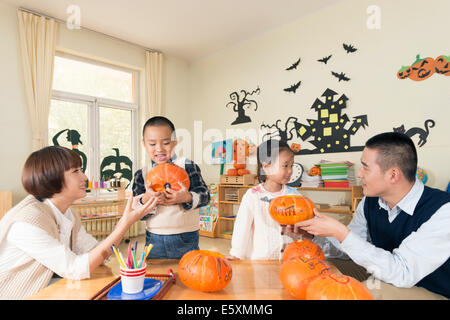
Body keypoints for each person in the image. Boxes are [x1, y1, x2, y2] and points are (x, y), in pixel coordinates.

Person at [296, 132, 450, 300]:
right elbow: (351, 248)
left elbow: (403, 273)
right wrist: (316, 235)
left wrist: (341, 233)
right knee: (317, 268)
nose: (359, 174)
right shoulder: (370, 201)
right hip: (384, 275)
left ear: (393, 175)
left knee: (369, 292)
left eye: (365, 167)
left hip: (431, 289)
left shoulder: (443, 210)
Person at [0, 146, 157, 299]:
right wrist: (125, 223)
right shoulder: (27, 222)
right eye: (76, 171)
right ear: (51, 177)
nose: (85, 178)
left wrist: (126, 218)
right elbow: (75, 269)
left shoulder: (68, 214)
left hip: (49, 288)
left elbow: (97, 252)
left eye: (81, 170)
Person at [132, 116, 210, 259]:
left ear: (174, 142)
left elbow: (205, 196)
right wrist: (148, 198)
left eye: (166, 143)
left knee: (189, 275)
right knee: (156, 276)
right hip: (154, 239)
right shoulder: (141, 174)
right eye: (152, 144)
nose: (159, 149)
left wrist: (186, 197)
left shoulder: (187, 166)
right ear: (144, 144)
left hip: (186, 237)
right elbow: (136, 211)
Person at [226, 139, 301, 260]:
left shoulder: (294, 195)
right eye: (285, 165)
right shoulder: (253, 196)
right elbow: (241, 227)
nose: (290, 170)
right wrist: (236, 253)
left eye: (291, 165)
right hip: (261, 260)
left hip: (289, 259)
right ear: (266, 167)